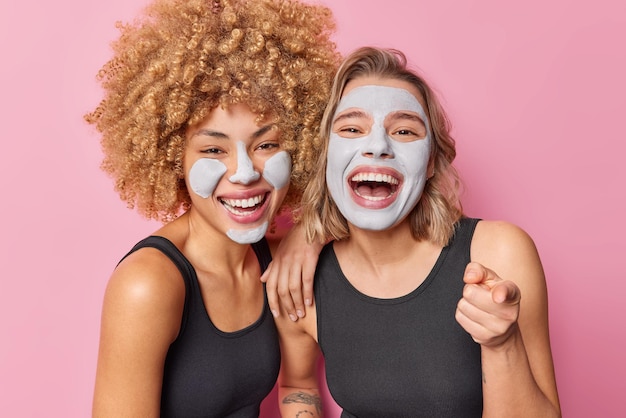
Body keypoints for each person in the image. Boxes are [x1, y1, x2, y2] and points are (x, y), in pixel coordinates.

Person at [275, 47, 561, 417]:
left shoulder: (498, 253)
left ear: (429, 163)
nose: (378, 146)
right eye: (351, 128)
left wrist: (502, 343)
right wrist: (304, 231)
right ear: (325, 154)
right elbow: (297, 384)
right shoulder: (300, 279)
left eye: (405, 130)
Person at [84, 0, 339, 416]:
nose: (243, 172)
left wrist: (308, 234)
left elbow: (297, 385)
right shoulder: (147, 285)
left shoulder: (274, 260)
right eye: (214, 149)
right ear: (173, 159)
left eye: (267, 145)